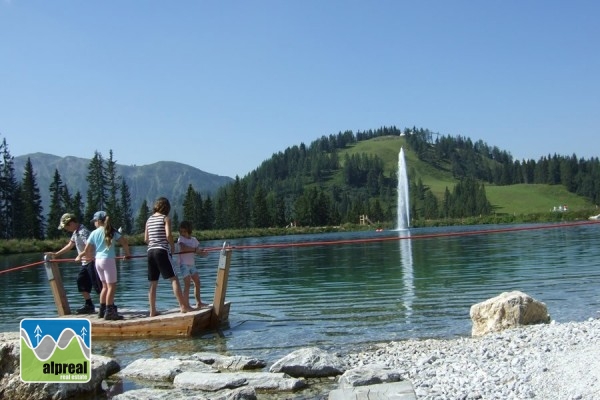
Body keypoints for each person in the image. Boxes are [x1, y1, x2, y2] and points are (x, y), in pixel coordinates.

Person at [76, 211, 130, 320]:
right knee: (111, 287)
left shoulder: (94, 233)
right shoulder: (111, 231)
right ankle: (110, 312)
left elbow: (87, 250)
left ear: (99, 221)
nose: (94, 223)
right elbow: (124, 242)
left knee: (104, 287)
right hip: (108, 260)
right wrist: (127, 254)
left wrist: (83, 256)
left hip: (98, 261)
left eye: (95, 221)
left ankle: (102, 310)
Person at [145, 197, 193, 317]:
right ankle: (183, 307)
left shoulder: (149, 220)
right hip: (162, 251)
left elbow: (146, 239)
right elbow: (168, 235)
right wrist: (172, 247)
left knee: (153, 283)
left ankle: (152, 311)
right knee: (174, 279)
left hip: (150, 251)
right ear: (166, 208)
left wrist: (153, 243)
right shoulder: (165, 218)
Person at [45, 213, 102, 314]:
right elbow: (70, 245)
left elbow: (91, 246)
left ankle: (106, 305)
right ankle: (89, 304)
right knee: (81, 281)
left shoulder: (83, 232)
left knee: (97, 285)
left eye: (66, 227)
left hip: (93, 261)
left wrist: (82, 255)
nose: (66, 229)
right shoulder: (76, 232)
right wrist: (56, 254)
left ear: (71, 223)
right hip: (85, 263)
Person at [177, 220, 208, 309]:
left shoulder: (194, 240)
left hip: (192, 265)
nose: (182, 233)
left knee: (197, 282)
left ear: (189, 231)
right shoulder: (181, 239)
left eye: (184, 232)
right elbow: (183, 248)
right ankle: (186, 305)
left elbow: (198, 250)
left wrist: (203, 253)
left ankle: (199, 302)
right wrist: (195, 250)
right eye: (181, 231)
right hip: (184, 265)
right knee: (187, 284)